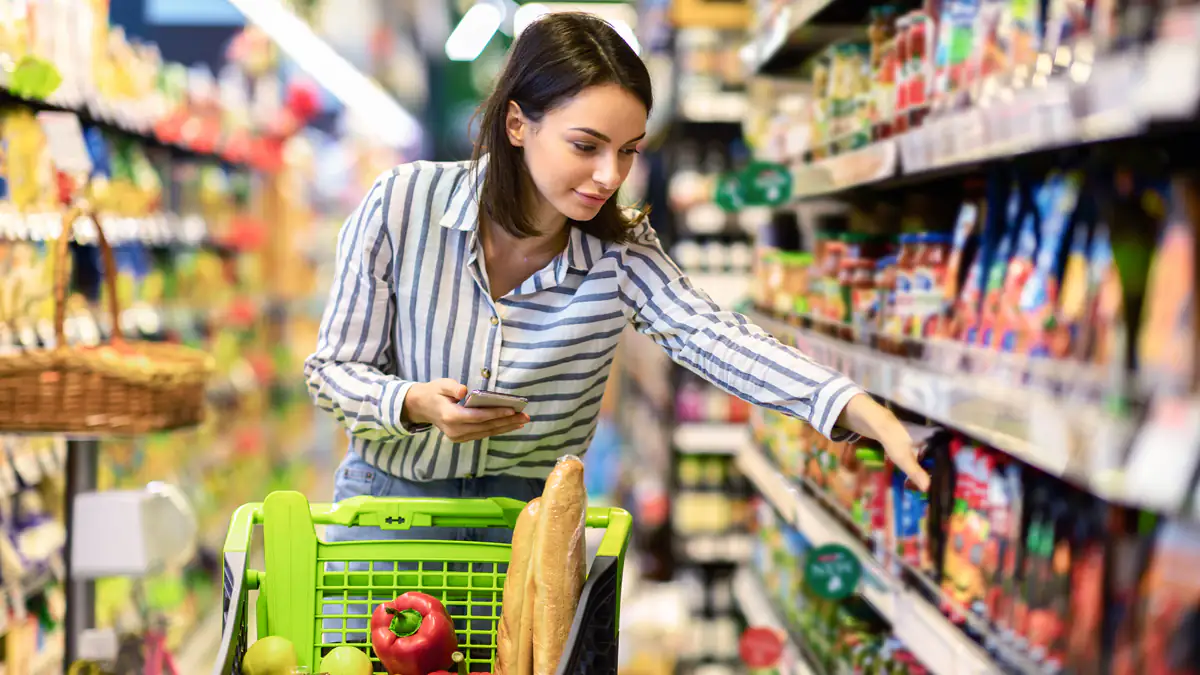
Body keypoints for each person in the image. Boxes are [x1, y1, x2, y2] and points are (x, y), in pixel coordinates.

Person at [305, 11, 929, 547]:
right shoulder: (404, 203)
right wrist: (411, 403)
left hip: (533, 530)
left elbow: (713, 336)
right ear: (518, 124)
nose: (610, 175)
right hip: (388, 512)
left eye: (629, 149)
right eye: (586, 145)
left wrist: (852, 406)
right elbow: (332, 369)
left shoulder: (621, 248)